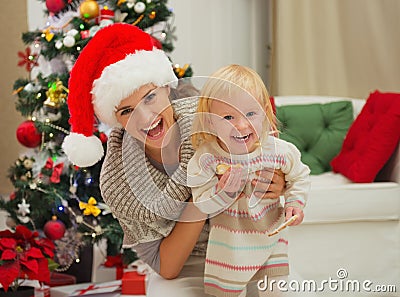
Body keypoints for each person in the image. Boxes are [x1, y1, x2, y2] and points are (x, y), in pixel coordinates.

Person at [62, 24, 286, 297]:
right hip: (190, 263)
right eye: (127, 110)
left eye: (150, 97)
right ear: (115, 120)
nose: (145, 118)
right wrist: (204, 199)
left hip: (249, 244)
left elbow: (265, 141)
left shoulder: (205, 114)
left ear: (167, 88)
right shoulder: (118, 180)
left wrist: (276, 179)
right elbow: (167, 267)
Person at [187, 65, 311, 297]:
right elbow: (202, 203)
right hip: (230, 245)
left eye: (251, 114)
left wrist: (295, 202)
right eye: (228, 117)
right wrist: (222, 190)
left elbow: (300, 176)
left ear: (265, 112)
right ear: (211, 122)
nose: (241, 125)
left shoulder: (279, 151)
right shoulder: (207, 158)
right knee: (226, 292)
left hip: (272, 238)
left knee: (276, 290)